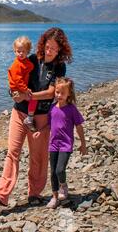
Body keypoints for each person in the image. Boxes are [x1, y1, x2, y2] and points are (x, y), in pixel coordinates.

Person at [0, 27, 73, 207]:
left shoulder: (59, 66)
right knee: (12, 152)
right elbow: (15, 79)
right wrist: (13, 93)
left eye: (53, 48)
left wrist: (30, 96)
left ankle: (34, 193)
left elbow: (51, 93)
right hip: (19, 113)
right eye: (47, 46)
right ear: (42, 44)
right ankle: (1, 193)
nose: (49, 51)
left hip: (41, 117)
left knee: (38, 157)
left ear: (60, 50)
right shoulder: (32, 59)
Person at [33, 77, 87, 209]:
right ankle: (55, 197)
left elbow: (79, 126)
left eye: (62, 93)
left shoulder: (71, 109)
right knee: (53, 172)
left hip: (66, 144)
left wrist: (83, 143)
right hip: (53, 144)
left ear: (69, 93)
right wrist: (40, 131)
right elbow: (49, 125)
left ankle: (63, 185)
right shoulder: (52, 108)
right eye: (57, 92)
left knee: (60, 170)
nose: (59, 95)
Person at [8, 36, 38, 132]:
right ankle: (29, 118)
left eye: (23, 51)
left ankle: (29, 116)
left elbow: (29, 67)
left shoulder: (25, 61)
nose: (20, 54)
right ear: (14, 51)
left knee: (32, 99)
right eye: (18, 51)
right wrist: (25, 89)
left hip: (20, 87)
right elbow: (18, 80)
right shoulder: (17, 65)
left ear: (28, 51)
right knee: (33, 99)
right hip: (17, 88)